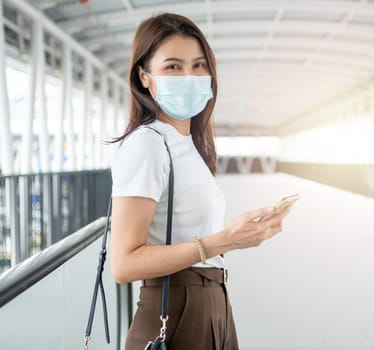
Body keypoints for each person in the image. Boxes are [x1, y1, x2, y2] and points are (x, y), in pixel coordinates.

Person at [109, 13, 293, 350]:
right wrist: (223, 241)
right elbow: (123, 264)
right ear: (144, 78)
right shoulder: (148, 143)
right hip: (179, 310)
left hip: (212, 303)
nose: (190, 76)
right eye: (174, 67)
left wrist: (238, 237)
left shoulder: (187, 145)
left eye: (198, 65)